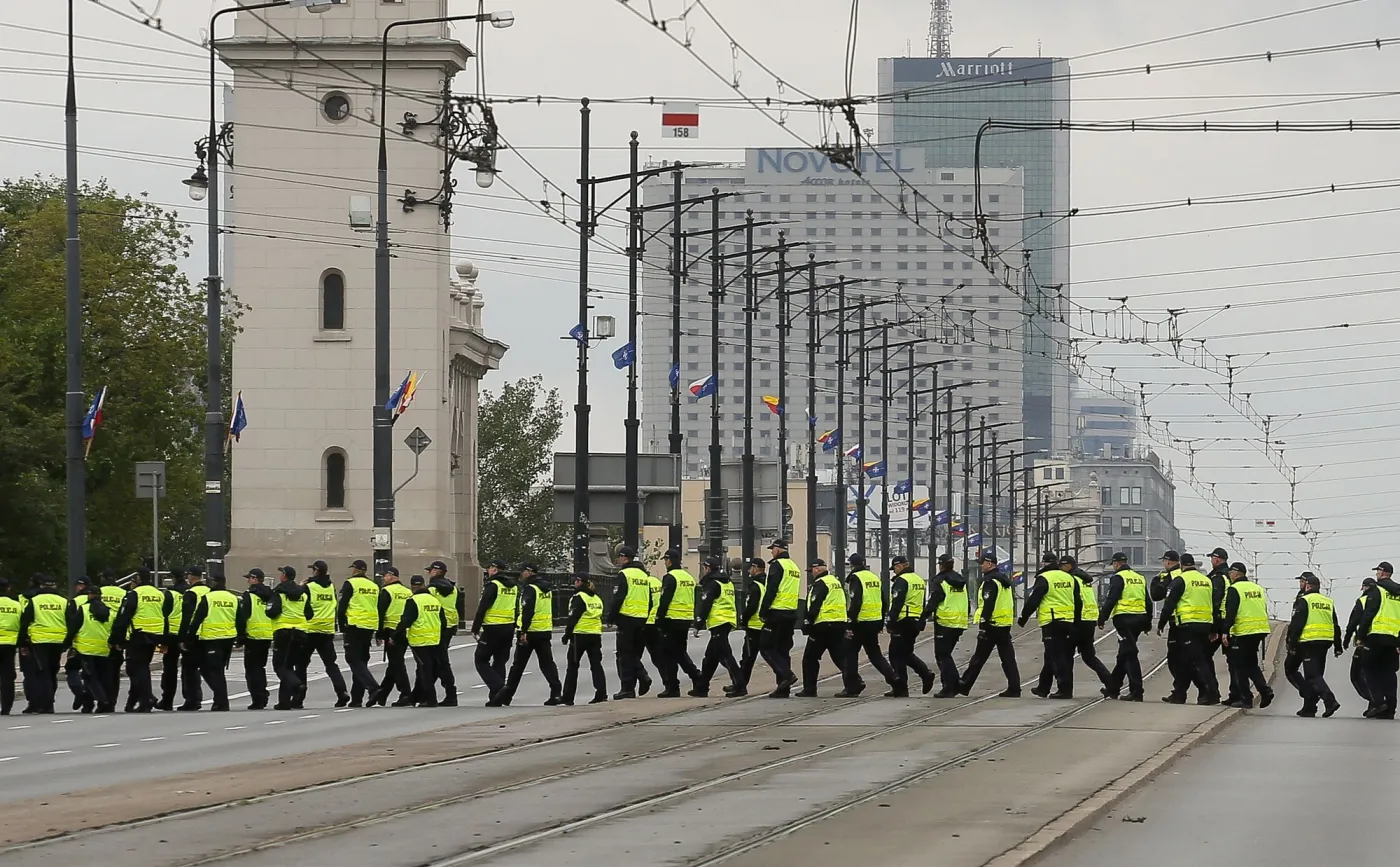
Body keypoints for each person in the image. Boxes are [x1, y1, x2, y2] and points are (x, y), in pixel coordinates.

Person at [1156, 553, 1221, 705]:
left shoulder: (1181, 580)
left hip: (1187, 625)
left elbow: (1169, 604)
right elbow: (1214, 605)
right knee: (1184, 661)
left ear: (1181, 565)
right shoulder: (1206, 581)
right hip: (1205, 624)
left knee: (1197, 661)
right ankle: (1179, 693)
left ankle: (1211, 693)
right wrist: (1214, 628)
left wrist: (1161, 623)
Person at [496, 564, 562, 707]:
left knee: (518, 666)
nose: (521, 574)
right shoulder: (546, 589)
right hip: (544, 630)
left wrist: (523, 631)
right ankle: (556, 692)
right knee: (547, 664)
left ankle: (507, 696)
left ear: (529, 572)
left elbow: (527, 611)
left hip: (530, 632)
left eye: (523, 571)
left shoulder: (530, 588)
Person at [958, 554, 1021, 698]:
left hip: (992, 624)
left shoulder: (991, 581)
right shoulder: (1003, 580)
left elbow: (988, 604)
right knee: (1008, 658)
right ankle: (1015, 687)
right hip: (1004, 623)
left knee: (979, 658)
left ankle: (964, 685)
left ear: (989, 564)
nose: (980, 566)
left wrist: (983, 624)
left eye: (982, 563)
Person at [1019, 553, 1079, 699]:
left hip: (1052, 622)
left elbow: (1034, 599)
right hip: (1068, 621)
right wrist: (1076, 621)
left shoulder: (1044, 578)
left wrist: (1024, 617)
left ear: (1044, 564)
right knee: (1052, 655)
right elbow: (1078, 601)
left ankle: (1064, 689)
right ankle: (1043, 687)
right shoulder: (1069, 577)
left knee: (1057, 657)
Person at [110, 567, 170, 713]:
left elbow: (124, 617)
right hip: (156, 634)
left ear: (137, 579)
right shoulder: (159, 594)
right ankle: (141, 700)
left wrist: (116, 639)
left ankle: (147, 699)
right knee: (141, 667)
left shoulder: (135, 594)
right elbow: (165, 616)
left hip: (139, 634)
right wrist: (165, 640)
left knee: (139, 668)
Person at [797, 559, 859, 698]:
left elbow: (815, 603)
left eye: (812, 571)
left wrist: (808, 622)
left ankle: (809, 689)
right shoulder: (835, 582)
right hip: (839, 623)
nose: (811, 574)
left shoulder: (821, 583)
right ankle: (854, 683)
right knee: (840, 656)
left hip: (823, 625)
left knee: (810, 657)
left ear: (817, 569)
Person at [1284, 572, 1341, 717]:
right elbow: (1335, 624)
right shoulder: (1328, 601)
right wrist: (1337, 645)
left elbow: (1297, 623)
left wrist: (1291, 643)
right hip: (1325, 641)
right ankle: (1309, 707)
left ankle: (1329, 700)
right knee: (1316, 673)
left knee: (1306, 673)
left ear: (1308, 586)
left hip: (1308, 641)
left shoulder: (1305, 600)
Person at [1097, 552, 1152, 701]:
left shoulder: (1118, 577)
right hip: (1140, 619)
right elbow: (1147, 601)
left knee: (1130, 654)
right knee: (1124, 654)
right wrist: (1148, 622)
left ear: (1116, 563)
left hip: (1124, 619)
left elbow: (1111, 598)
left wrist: (1102, 618)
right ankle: (1113, 688)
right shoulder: (1139, 577)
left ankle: (1137, 691)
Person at [1219, 562, 1273, 710]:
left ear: (1236, 573)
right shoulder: (1257, 588)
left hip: (1243, 631)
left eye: (1230, 572)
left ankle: (1246, 698)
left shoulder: (1234, 589)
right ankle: (1265, 691)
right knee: (1251, 664)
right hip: (1259, 630)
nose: (1229, 575)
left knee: (1239, 666)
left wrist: (1225, 631)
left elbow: (1231, 612)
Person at [18, 574, 71, 714]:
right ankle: (49, 702)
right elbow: (70, 621)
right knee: (53, 671)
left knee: (43, 671)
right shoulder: (63, 601)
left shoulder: (34, 601)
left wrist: (22, 642)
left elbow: (25, 622)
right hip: (58, 641)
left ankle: (46, 704)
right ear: (55, 586)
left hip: (39, 641)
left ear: (41, 586)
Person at [605, 547, 653, 700]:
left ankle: (631, 685)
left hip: (626, 618)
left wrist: (610, 618)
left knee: (624, 655)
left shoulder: (624, 574)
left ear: (624, 558)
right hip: (642, 618)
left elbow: (618, 597)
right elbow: (650, 600)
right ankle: (635, 684)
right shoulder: (644, 575)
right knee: (634, 653)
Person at [1061, 555, 1113, 694]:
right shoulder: (1084, 579)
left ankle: (1066, 690)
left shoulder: (1072, 579)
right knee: (1089, 657)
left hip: (1078, 621)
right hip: (1089, 620)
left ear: (1068, 566)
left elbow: (1076, 601)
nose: (1061, 569)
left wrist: (1072, 622)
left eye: (1062, 566)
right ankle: (1111, 683)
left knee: (1067, 656)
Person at [187, 575, 240, 712]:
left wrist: (189, 637)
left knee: (211, 670)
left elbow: (198, 618)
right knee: (217, 670)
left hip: (212, 638)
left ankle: (222, 701)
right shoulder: (232, 598)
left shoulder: (208, 598)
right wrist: (240, 637)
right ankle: (219, 700)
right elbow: (239, 618)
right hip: (228, 638)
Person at [757, 539, 802, 698]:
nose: (771, 552)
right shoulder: (794, 566)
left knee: (766, 647)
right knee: (783, 650)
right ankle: (783, 688)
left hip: (777, 612)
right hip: (791, 612)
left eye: (772, 549)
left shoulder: (777, 565)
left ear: (778, 549)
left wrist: (763, 610)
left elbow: (772, 589)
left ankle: (787, 676)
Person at [303, 560, 351, 708]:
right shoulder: (331, 586)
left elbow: (303, 606)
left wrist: (300, 587)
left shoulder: (309, 587)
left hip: (310, 629)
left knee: (301, 664)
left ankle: (298, 697)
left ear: (316, 571)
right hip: (327, 630)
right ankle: (342, 692)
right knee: (331, 664)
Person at [885, 555, 935, 697]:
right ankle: (924, 675)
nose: (894, 571)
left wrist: (890, 621)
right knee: (905, 653)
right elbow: (922, 602)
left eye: (895, 568)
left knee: (895, 654)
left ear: (899, 566)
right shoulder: (918, 580)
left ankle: (902, 687)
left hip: (903, 620)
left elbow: (897, 603)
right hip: (915, 620)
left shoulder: (902, 580)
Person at [692, 557, 741, 697]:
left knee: (725, 655)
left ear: (708, 568)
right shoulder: (727, 582)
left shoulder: (712, 583)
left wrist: (698, 624)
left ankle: (740, 685)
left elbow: (706, 604)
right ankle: (702, 688)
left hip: (718, 621)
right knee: (710, 657)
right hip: (727, 620)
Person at [656, 549, 702, 698]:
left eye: (665, 560)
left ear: (669, 561)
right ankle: (697, 678)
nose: (665, 563)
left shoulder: (670, 577)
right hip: (685, 619)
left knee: (669, 654)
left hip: (672, 619)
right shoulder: (688, 577)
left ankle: (674, 687)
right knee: (680, 652)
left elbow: (665, 600)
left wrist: (659, 619)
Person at [1357, 562, 1400, 719]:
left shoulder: (1377, 590)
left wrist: (1361, 636)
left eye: (1377, 572)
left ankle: (1378, 702)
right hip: (1393, 638)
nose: (1376, 574)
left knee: (1368, 669)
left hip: (1375, 636)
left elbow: (1369, 614)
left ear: (1382, 573)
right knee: (1389, 672)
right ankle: (1390, 708)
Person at [395, 575, 447, 706]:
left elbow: (406, 621)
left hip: (419, 641)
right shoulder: (434, 600)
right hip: (434, 640)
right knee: (430, 668)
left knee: (425, 670)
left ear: (412, 587)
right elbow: (443, 622)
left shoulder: (413, 601)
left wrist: (394, 635)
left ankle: (430, 699)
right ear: (424, 585)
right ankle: (418, 697)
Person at [472, 561, 517, 706]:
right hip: (508, 627)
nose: (488, 570)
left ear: (495, 570)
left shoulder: (493, 585)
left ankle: (498, 686)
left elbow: (483, 606)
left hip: (492, 627)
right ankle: (496, 698)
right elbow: (516, 608)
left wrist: (475, 628)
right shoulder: (513, 586)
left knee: (480, 659)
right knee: (500, 661)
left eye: (490, 568)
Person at [337, 560, 381, 707]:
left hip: (354, 625)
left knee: (353, 659)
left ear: (355, 570)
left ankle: (373, 687)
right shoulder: (374, 585)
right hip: (369, 625)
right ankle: (357, 698)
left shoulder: (350, 583)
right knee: (361, 661)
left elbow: (342, 606)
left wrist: (342, 626)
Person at [560, 574, 608, 706]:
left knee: (573, 666)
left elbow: (573, 617)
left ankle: (568, 697)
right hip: (595, 634)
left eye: (576, 580)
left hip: (580, 635)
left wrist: (567, 635)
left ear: (580, 582)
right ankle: (601, 693)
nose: (574, 583)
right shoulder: (596, 598)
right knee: (596, 665)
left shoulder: (579, 597)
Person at [371, 567, 415, 707]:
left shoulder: (387, 591)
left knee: (397, 664)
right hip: (405, 631)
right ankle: (382, 694)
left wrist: (379, 633)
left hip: (391, 631)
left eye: (384, 576)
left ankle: (406, 694)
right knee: (394, 663)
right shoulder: (408, 592)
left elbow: (380, 612)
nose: (383, 578)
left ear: (392, 576)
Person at [270, 566, 312, 710]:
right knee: (288, 667)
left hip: (283, 631)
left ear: (284, 576)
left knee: (279, 666)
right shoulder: (303, 594)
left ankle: (296, 685)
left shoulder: (279, 593)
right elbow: (309, 614)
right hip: (301, 632)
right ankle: (284, 701)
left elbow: (272, 612)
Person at [928, 554, 969, 698]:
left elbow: (935, 600)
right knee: (946, 654)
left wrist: (924, 615)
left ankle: (951, 685)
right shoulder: (961, 580)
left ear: (941, 565)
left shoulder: (940, 580)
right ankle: (951, 684)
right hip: (959, 622)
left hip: (944, 622)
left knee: (942, 655)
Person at [70, 584, 115, 713]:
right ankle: (96, 704)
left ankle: (102, 700)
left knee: (89, 677)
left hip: (86, 649)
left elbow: (74, 628)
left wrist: (67, 644)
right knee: (102, 677)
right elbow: (114, 629)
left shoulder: (84, 609)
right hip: (104, 649)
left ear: (90, 596)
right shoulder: (109, 611)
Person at [236, 568, 276, 710]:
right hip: (267, 634)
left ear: (254, 579)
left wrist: (240, 636)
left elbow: (243, 616)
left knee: (252, 670)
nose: (248, 581)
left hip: (253, 635)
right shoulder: (271, 594)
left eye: (249, 578)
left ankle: (258, 698)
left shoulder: (249, 595)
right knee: (260, 667)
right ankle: (262, 694)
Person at [726, 558, 766, 697]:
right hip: (765, 625)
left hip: (754, 626)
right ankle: (738, 685)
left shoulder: (755, 585)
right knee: (769, 655)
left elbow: (752, 605)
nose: (749, 571)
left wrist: (744, 619)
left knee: (747, 659)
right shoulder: (767, 583)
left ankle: (740, 687)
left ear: (756, 568)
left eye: (750, 568)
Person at [427, 560, 465, 704]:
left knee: (440, 662)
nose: (429, 573)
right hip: (450, 626)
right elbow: (458, 607)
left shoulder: (431, 589)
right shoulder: (453, 589)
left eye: (430, 570)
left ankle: (450, 694)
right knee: (439, 660)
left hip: (436, 627)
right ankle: (425, 692)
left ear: (435, 571)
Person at [175, 566, 210, 711]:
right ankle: (216, 698)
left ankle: (192, 699)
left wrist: (182, 638)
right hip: (208, 634)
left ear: (191, 576)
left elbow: (186, 617)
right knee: (207, 668)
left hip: (194, 635)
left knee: (189, 669)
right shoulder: (209, 591)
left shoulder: (191, 593)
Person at [1150, 551, 1184, 691]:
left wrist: (1156, 580)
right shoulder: (1185, 574)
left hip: (1178, 621)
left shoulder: (1171, 577)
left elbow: (1156, 595)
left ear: (1168, 561)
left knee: (1174, 658)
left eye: (1164, 561)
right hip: (1197, 621)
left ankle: (1180, 689)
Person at [1343, 577, 1376, 708]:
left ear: (1365, 588)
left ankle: (1375, 701)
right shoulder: (1384, 601)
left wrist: (1346, 639)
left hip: (1364, 642)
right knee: (1377, 674)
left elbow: (1353, 622)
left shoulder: (1362, 601)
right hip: (1383, 642)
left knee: (1356, 675)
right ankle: (1379, 703)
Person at [99, 572, 128, 712]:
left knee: (101, 671)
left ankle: (103, 701)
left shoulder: (99, 592)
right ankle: (112, 701)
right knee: (115, 671)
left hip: (100, 635)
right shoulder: (124, 593)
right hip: (119, 636)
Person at [0, 577, 20, 715]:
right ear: (8, 588)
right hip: (10, 644)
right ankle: (6, 707)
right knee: (7, 676)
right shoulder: (16, 605)